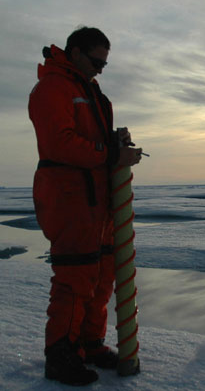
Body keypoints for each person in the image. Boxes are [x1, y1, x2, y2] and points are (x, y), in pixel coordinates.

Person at [29, 27, 143, 386]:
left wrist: (113, 141)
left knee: (103, 273)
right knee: (76, 278)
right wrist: (110, 153)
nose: (101, 69)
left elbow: (87, 141)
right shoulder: (53, 88)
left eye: (104, 63)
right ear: (75, 52)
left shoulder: (90, 92)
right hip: (69, 198)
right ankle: (61, 356)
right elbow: (59, 143)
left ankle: (90, 344)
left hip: (98, 200)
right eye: (96, 61)